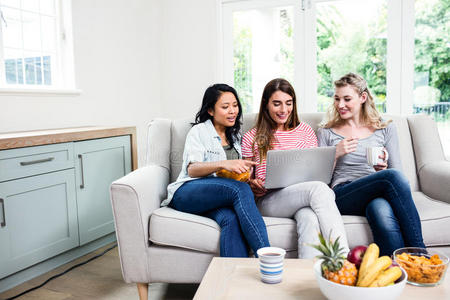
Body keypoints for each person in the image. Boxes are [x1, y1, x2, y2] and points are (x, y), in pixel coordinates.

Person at [317, 73, 425, 256]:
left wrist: (380, 170)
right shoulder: (326, 131)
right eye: (337, 99)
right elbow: (318, 181)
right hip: (343, 193)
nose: (340, 105)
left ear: (363, 97)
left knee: (380, 211)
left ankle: (398, 269)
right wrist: (335, 154)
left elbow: (397, 172)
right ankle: (421, 254)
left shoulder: (384, 128)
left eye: (347, 99)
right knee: (391, 178)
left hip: (376, 190)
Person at [241, 78, 349, 258]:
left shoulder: (306, 131)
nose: (284, 110)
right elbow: (245, 180)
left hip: (301, 197)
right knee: (319, 190)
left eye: (288, 103)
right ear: (266, 104)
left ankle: (308, 274)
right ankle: (343, 259)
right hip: (269, 201)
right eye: (277, 104)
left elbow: (317, 171)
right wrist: (252, 184)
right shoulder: (251, 136)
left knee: (309, 217)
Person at [162, 83, 270, 257]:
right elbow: (192, 169)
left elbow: (232, 177)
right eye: (225, 107)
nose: (233, 111)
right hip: (187, 193)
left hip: (217, 199)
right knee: (239, 190)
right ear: (211, 110)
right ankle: (267, 257)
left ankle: (232, 278)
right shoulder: (199, 131)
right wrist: (223, 163)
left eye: (235, 105)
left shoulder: (235, 137)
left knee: (231, 219)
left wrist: (249, 181)